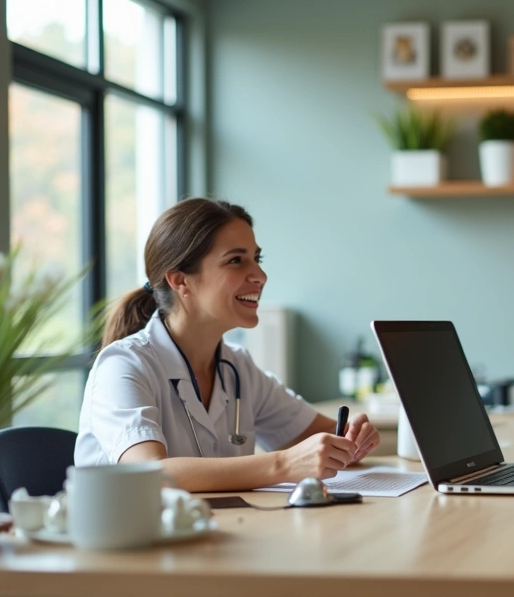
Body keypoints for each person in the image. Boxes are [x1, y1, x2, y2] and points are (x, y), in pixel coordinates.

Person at [75, 197, 380, 492]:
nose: (260, 275)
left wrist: (353, 439)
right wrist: (283, 465)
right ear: (180, 281)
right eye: (236, 260)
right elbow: (149, 475)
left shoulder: (237, 368)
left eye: (256, 259)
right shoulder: (123, 365)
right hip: (129, 542)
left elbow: (328, 439)